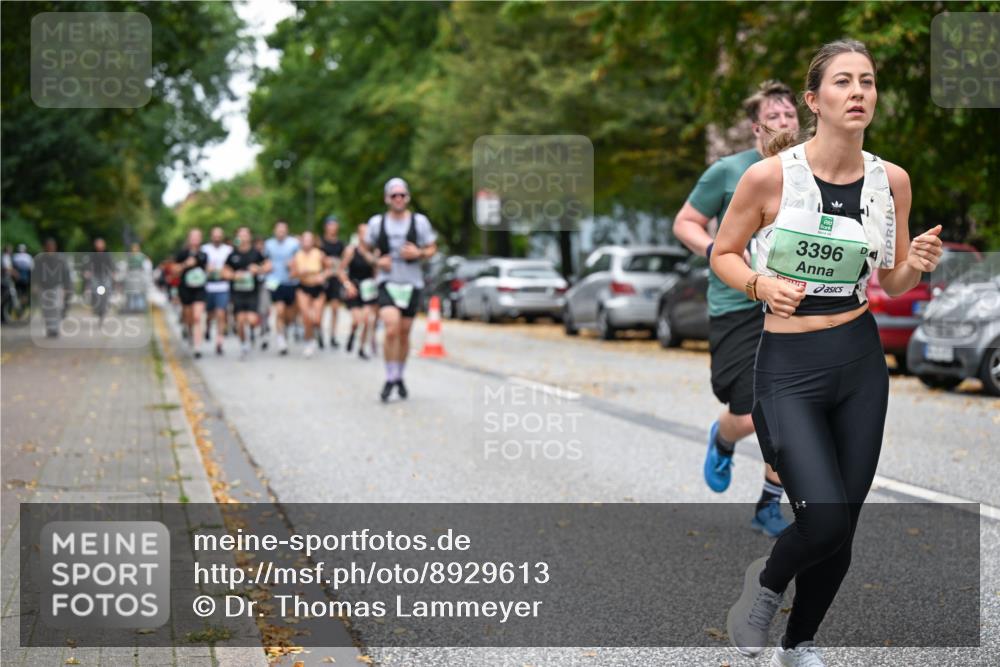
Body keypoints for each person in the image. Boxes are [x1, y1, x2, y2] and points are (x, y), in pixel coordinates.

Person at [713, 40, 942, 666]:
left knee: (846, 522)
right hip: (787, 369)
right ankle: (762, 589)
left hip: (859, 362)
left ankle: (799, 643)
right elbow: (723, 254)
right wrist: (760, 284)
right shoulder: (770, 178)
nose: (860, 92)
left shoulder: (890, 180)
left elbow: (890, 280)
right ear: (814, 100)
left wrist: (914, 267)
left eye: (867, 81)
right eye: (844, 82)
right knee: (825, 521)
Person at [673, 80, 799, 537]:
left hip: (787, 305)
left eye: (790, 115)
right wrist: (714, 251)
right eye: (775, 117)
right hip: (735, 304)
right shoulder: (729, 171)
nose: (784, 122)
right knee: (748, 414)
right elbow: (685, 222)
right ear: (756, 128)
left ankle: (768, 505)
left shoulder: (809, 173)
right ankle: (723, 438)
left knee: (787, 410)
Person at [364, 177, 437, 401]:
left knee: (404, 334)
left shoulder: (420, 222)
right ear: (387, 198)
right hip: (388, 281)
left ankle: (399, 375)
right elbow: (364, 249)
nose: (398, 198)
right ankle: (389, 376)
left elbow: (432, 248)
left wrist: (419, 253)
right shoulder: (377, 223)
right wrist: (377, 262)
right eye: (394, 195)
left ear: (408, 197)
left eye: (402, 195)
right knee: (392, 328)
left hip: (412, 283)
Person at [223, 226, 270, 360]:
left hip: (252, 292)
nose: (243, 237)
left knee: (251, 319)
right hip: (237, 293)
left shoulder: (256, 253)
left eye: (245, 234)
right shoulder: (233, 255)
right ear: (237, 237)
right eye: (240, 235)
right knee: (239, 321)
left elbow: (268, 266)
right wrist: (234, 275)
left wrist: (259, 269)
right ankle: (244, 344)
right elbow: (224, 271)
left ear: (250, 237)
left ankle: (255, 333)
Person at [338, 223, 379, 359]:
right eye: (363, 233)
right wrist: (347, 284)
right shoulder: (351, 251)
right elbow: (341, 270)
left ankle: (362, 348)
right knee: (357, 320)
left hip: (368, 289)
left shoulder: (374, 252)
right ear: (359, 234)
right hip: (354, 289)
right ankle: (352, 334)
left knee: (367, 320)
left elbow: (376, 272)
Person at [290, 231, 329, 358]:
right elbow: (292, 274)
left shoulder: (319, 254)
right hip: (303, 287)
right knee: (306, 316)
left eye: (309, 240)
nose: (306, 242)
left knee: (316, 319)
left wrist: (322, 276)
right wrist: (300, 272)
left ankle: (316, 331)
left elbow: (330, 269)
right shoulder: (297, 255)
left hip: (317, 288)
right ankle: (309, 341)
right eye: (304, 240)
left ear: (313, 241)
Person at [263, 221, 300, 355]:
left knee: (289, 315)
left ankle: (286, 329)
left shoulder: (294, 243)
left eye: (283, 230)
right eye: (278, 230)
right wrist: (266, 267)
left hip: (290, 281)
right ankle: (280, 340)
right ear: (274, 231)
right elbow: (266, 260)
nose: (281, 232)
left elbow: (298, 260)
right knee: (279, 310)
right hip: (274, 281)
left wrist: (292, 265)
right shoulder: (269, 244)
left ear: (287, 231)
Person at [175, 229, 209, 358]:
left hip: (199, 289)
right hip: (185, 289)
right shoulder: (182, 254)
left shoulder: (204, 254)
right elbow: (175, 270)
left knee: (197, 317)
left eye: (197, 237)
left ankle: (197, 347)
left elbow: (207, 270)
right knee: (189, 317)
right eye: (193, 236)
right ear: (189, 238)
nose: (195, 239)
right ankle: (189, 332)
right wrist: (185, 264)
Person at [201, 226, 233, 355]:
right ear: (211, 236)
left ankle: (219, 342)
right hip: (208, 286)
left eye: (219, 236)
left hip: (223, 286)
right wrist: (207, 269)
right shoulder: (205, 249)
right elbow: (201, 265)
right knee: (209, 314)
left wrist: (225, 272)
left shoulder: (228, 250)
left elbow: (232, 267)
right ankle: (208, 327)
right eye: (215, 235)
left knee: (221, 313)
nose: (217, 238)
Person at [34, 238, 72, 337]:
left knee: (56, 307)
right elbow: (36, 273)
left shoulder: (60, 259)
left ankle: (55, 328)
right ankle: (49, 328)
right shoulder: (40, 259)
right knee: (46, 309)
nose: (50, 248)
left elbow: (65, 273)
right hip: (43, 287)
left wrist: (66, 286)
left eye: (52, 246)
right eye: (48, 246)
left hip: (57, 286)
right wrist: (35, 285)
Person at [320, 215, 346, 350]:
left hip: (336, 278)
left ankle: (333, 335)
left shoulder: (340, 244)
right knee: (321, 308)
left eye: (334, 225)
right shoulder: (320, 243)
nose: (332, 227)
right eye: (330, 225)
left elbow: (342, 262)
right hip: (324, 278)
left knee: (335, 308)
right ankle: (319, 333)